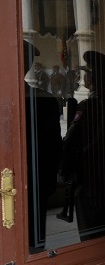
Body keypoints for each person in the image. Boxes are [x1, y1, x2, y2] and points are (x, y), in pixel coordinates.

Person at [60, 50, 105, 241]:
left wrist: (65, 173)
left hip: (91, 185)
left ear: (91, 79)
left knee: (92, 235)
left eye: (87, 74)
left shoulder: (86, 106)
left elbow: (69, 143)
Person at [23, 41, 62, 252]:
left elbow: (53, 146)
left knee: (34, 241)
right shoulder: (45, 101)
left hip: (36, 181)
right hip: (38, 180)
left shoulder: (44, 101)